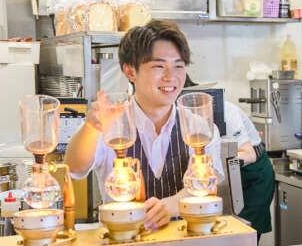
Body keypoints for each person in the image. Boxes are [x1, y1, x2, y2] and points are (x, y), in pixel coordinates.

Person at [66, 20, 223, 230]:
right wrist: (91, 127)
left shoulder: (199, 127)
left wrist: (172, 205)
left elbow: (208, 183)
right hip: (123, 243)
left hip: (185, 242)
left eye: (178, 66)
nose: (171, 77)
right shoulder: (112, 121)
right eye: (159, 66)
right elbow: (74, 168)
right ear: (130, 71)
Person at [183, 75, 275, 239]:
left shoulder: (226, 110)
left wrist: (214, 163)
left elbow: (250, 154)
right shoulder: (183, 116)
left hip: (252, 175)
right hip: (226, 174)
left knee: (245, 235)